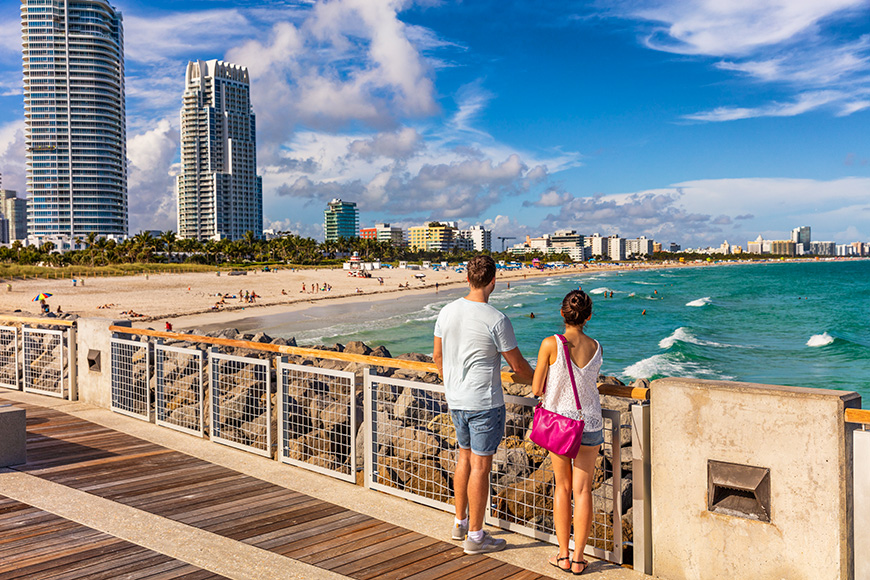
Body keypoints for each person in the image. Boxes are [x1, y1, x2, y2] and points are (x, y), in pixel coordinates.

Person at [433, 255, 534, 555]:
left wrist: (451, 381)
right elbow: (517, 367)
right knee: (480, 466)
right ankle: (476, 537)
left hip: (456, 400)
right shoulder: (496, 319)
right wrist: (544, 380)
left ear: (467, 279)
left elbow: (437, 356)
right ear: (493, 281)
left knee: (463, 459)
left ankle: (460, 522)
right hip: (484, 403)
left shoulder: (446, 311)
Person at [531, 290, 603, 575]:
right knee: (583, 490)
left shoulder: (551, 343)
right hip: (591, 423)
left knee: (562, 487)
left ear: (562, 314)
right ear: (588, 317)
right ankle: (579, 559)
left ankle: (563, 555)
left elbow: (537, 388)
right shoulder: (597, 346)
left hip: (562, 424)